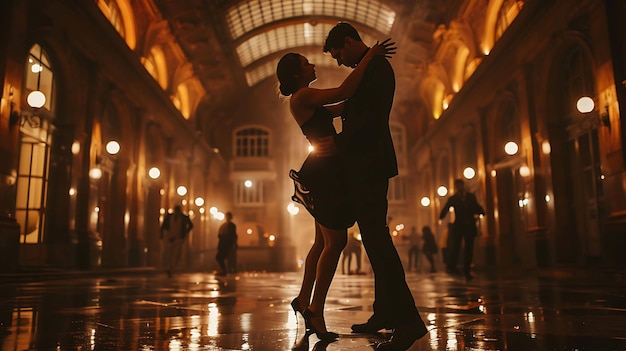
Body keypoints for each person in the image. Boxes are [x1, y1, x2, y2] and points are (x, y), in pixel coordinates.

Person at [316, 22, 429, 350]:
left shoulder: (377, 67)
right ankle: (384, 312)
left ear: (349, 42)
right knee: (374, 241)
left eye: (338, 54)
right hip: (366, 165)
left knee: (378, 242)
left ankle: (408, 322)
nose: (338, 62)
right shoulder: (370, 65)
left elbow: (369, 121)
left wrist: (335, 144)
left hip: (369, 165)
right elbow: (349, 107)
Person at [277, 38, 395, 341]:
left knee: (321, 243)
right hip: (324, 173)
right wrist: (369, 58)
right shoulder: (302, 96)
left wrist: (367, 89)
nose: (313, 64)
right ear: (295, 75)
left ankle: (304, 299)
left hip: (323, 170)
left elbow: (345, 104)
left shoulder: (307, 98)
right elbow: (343, 92)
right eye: (306, 63)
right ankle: (315, 308)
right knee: (336, 242)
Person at [439, 179, 485, 280]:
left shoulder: (470, 197)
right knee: (456, 246)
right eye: (458, 186)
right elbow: (446, 208)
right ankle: (452, 266)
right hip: (459, 226)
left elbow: (476, 206)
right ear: (456, 187)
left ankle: (466, 270)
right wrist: (441, 216)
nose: (460, 188)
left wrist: (481, 212)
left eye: (461, 185)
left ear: (463, 186)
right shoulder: (453, 199)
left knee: (469, 248)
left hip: (469, 226)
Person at [160, 205, 193, 277]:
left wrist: (185, 232)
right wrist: (162, 235)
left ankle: (171, 269)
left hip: (179, 239)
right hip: (170, 238)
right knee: (170, 254)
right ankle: (169, 268)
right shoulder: (169, 217)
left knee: (176, 254)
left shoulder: (184, 217)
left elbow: (191, 225)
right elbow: (163, 226)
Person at [216, 211, 238, 276]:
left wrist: (233, 243)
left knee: (223, 257)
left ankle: (225, 270)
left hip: (227, 244)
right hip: (223, 244)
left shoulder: (232, 226)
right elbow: (219, 234)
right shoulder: (223, 225)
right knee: (219, 257)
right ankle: (224, 270)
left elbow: (233, 235)